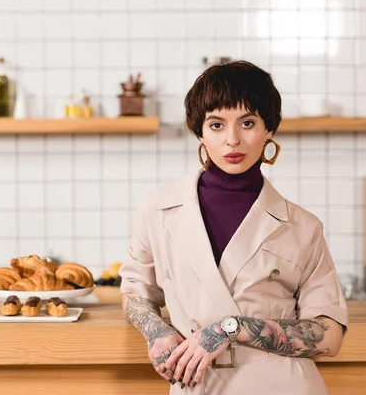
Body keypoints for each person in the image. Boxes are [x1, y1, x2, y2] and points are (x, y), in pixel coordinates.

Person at [119, 60, 348, 394]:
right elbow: (136, 291)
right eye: (216, 125)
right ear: (199, 131)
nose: (232, 140)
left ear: (269, 128)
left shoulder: (302, 226)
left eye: (248, 122)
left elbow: (329, 336)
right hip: (198, 384)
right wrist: (157, 332)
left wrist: (233, 328)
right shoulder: (157, 210)